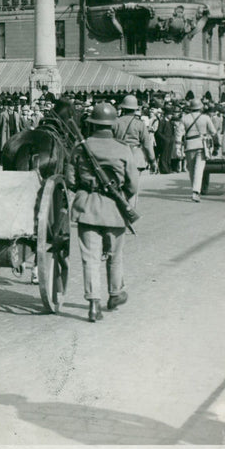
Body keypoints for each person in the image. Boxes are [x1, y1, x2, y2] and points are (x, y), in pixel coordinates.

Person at [65, 103, 138, 323]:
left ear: (92, 124)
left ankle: (93, 305)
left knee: (90, 259)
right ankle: (115, 294)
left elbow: (71, 181)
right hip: (115, 210)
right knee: (115, 257)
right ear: (113, 125)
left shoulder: (80, 148)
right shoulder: (123, 149)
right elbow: (133, 185)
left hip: (87, 208)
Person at [113, 95, 157, 189]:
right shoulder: (139, 124)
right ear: (135, 109)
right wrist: (152, 161)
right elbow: (147, 145)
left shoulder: (116, 122)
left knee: (120, 186)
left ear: (123, 108)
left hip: (119, 155)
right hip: (135, 156)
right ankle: (131, 203)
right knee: (133, 188)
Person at [180, 98, 219, 202]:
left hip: (189, 145)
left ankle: (195, 189)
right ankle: (195, 192)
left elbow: (178, 133)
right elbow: (213, 132)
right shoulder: (205, 118)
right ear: (201, 107)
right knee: (199, 169)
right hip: (202, 145)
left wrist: (177, 147)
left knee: (191, 170)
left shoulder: (184, 118)